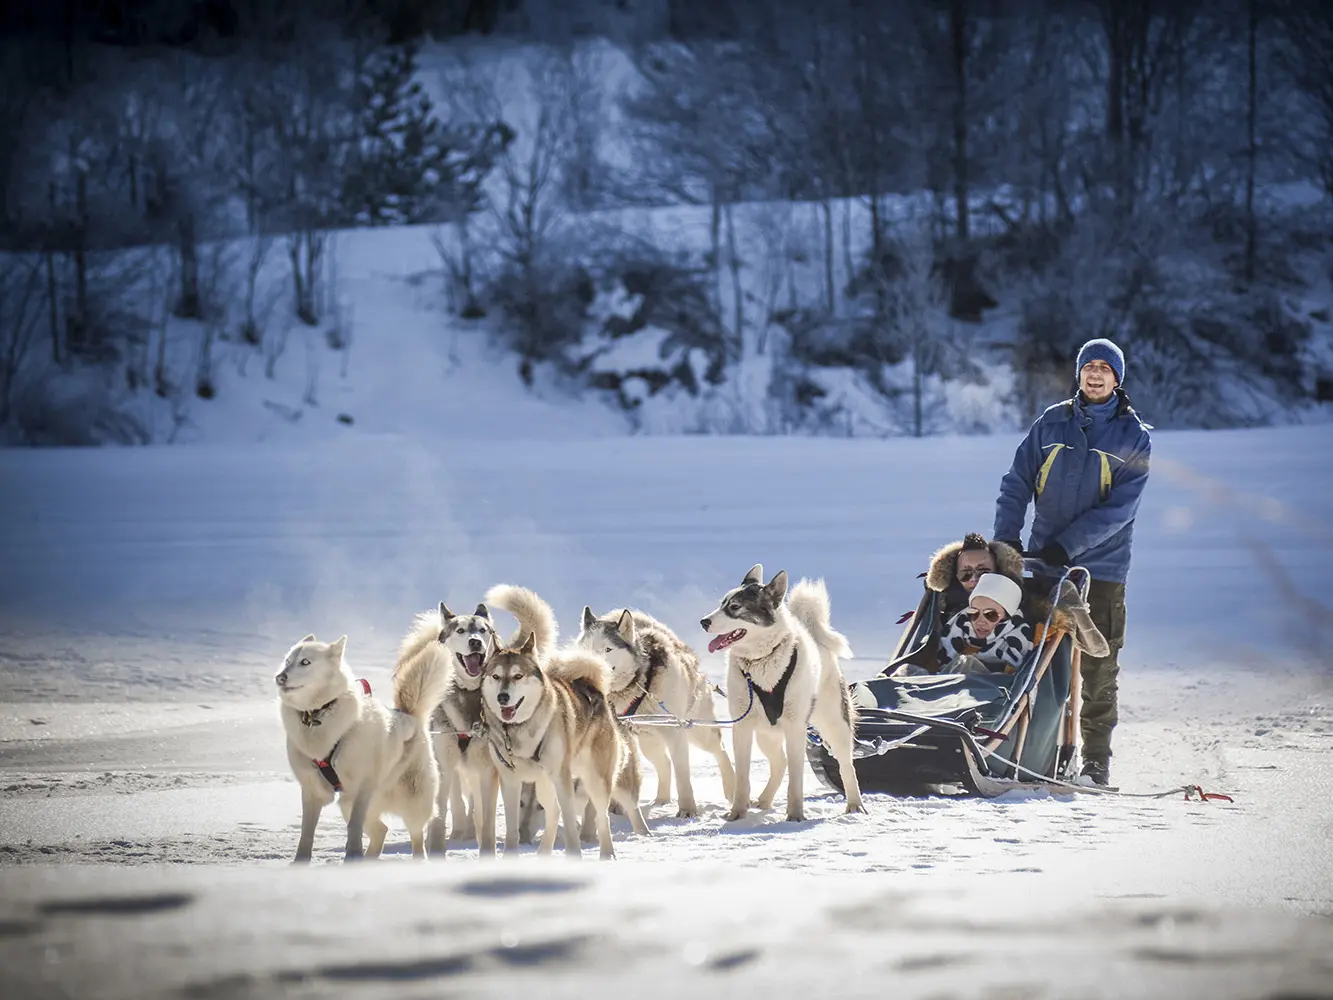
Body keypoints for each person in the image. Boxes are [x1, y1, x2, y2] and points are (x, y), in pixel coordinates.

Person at [993, 337, 1152, 786]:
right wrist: (1007, 537)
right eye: (1089, 366)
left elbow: (1121, 510)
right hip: (1043, 566)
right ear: (1078, 373)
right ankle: (1030, 751)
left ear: (1117, 380)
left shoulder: (1132, 436)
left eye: (1106, 368)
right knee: (1033, 661)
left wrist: (1068, 546)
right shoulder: (1051, 423)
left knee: (1099, 668)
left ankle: (1096, 761)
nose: (1096, 374)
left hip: (1099, 570)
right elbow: (1016, 482)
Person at [937, 573, 1034, 675]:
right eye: (974, 613)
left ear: (1008, 617)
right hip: (946, 686)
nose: (980, 621)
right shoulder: (955, 629)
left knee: (967, 664)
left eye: (990, 615)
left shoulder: (1015, 645)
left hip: (993, 688)